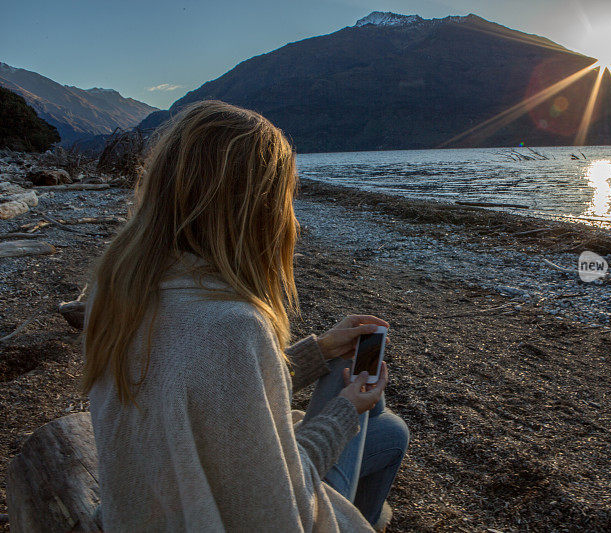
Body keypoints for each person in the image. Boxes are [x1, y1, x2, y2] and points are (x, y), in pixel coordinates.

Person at [81, 100, 409, 532]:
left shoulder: (118, 289)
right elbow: (272, 503)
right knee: (389, 430)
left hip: (143, 503)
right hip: (211, 515)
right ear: (259, 210)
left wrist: (318, 351)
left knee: (354, 379)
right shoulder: (231, 326)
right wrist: (346, 410)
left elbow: (209, 399)